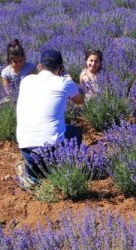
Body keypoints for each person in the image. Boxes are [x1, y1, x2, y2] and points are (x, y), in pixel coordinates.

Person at [15, 49, 85, 189]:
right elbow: (80, 101)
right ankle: (65, 170)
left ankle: (33, 176)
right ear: (60, 68)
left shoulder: (26, 80)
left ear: (39, 66)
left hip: (26, 149)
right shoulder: (64, 82)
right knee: (75, 132)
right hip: (51, 151)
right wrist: (73, 83)